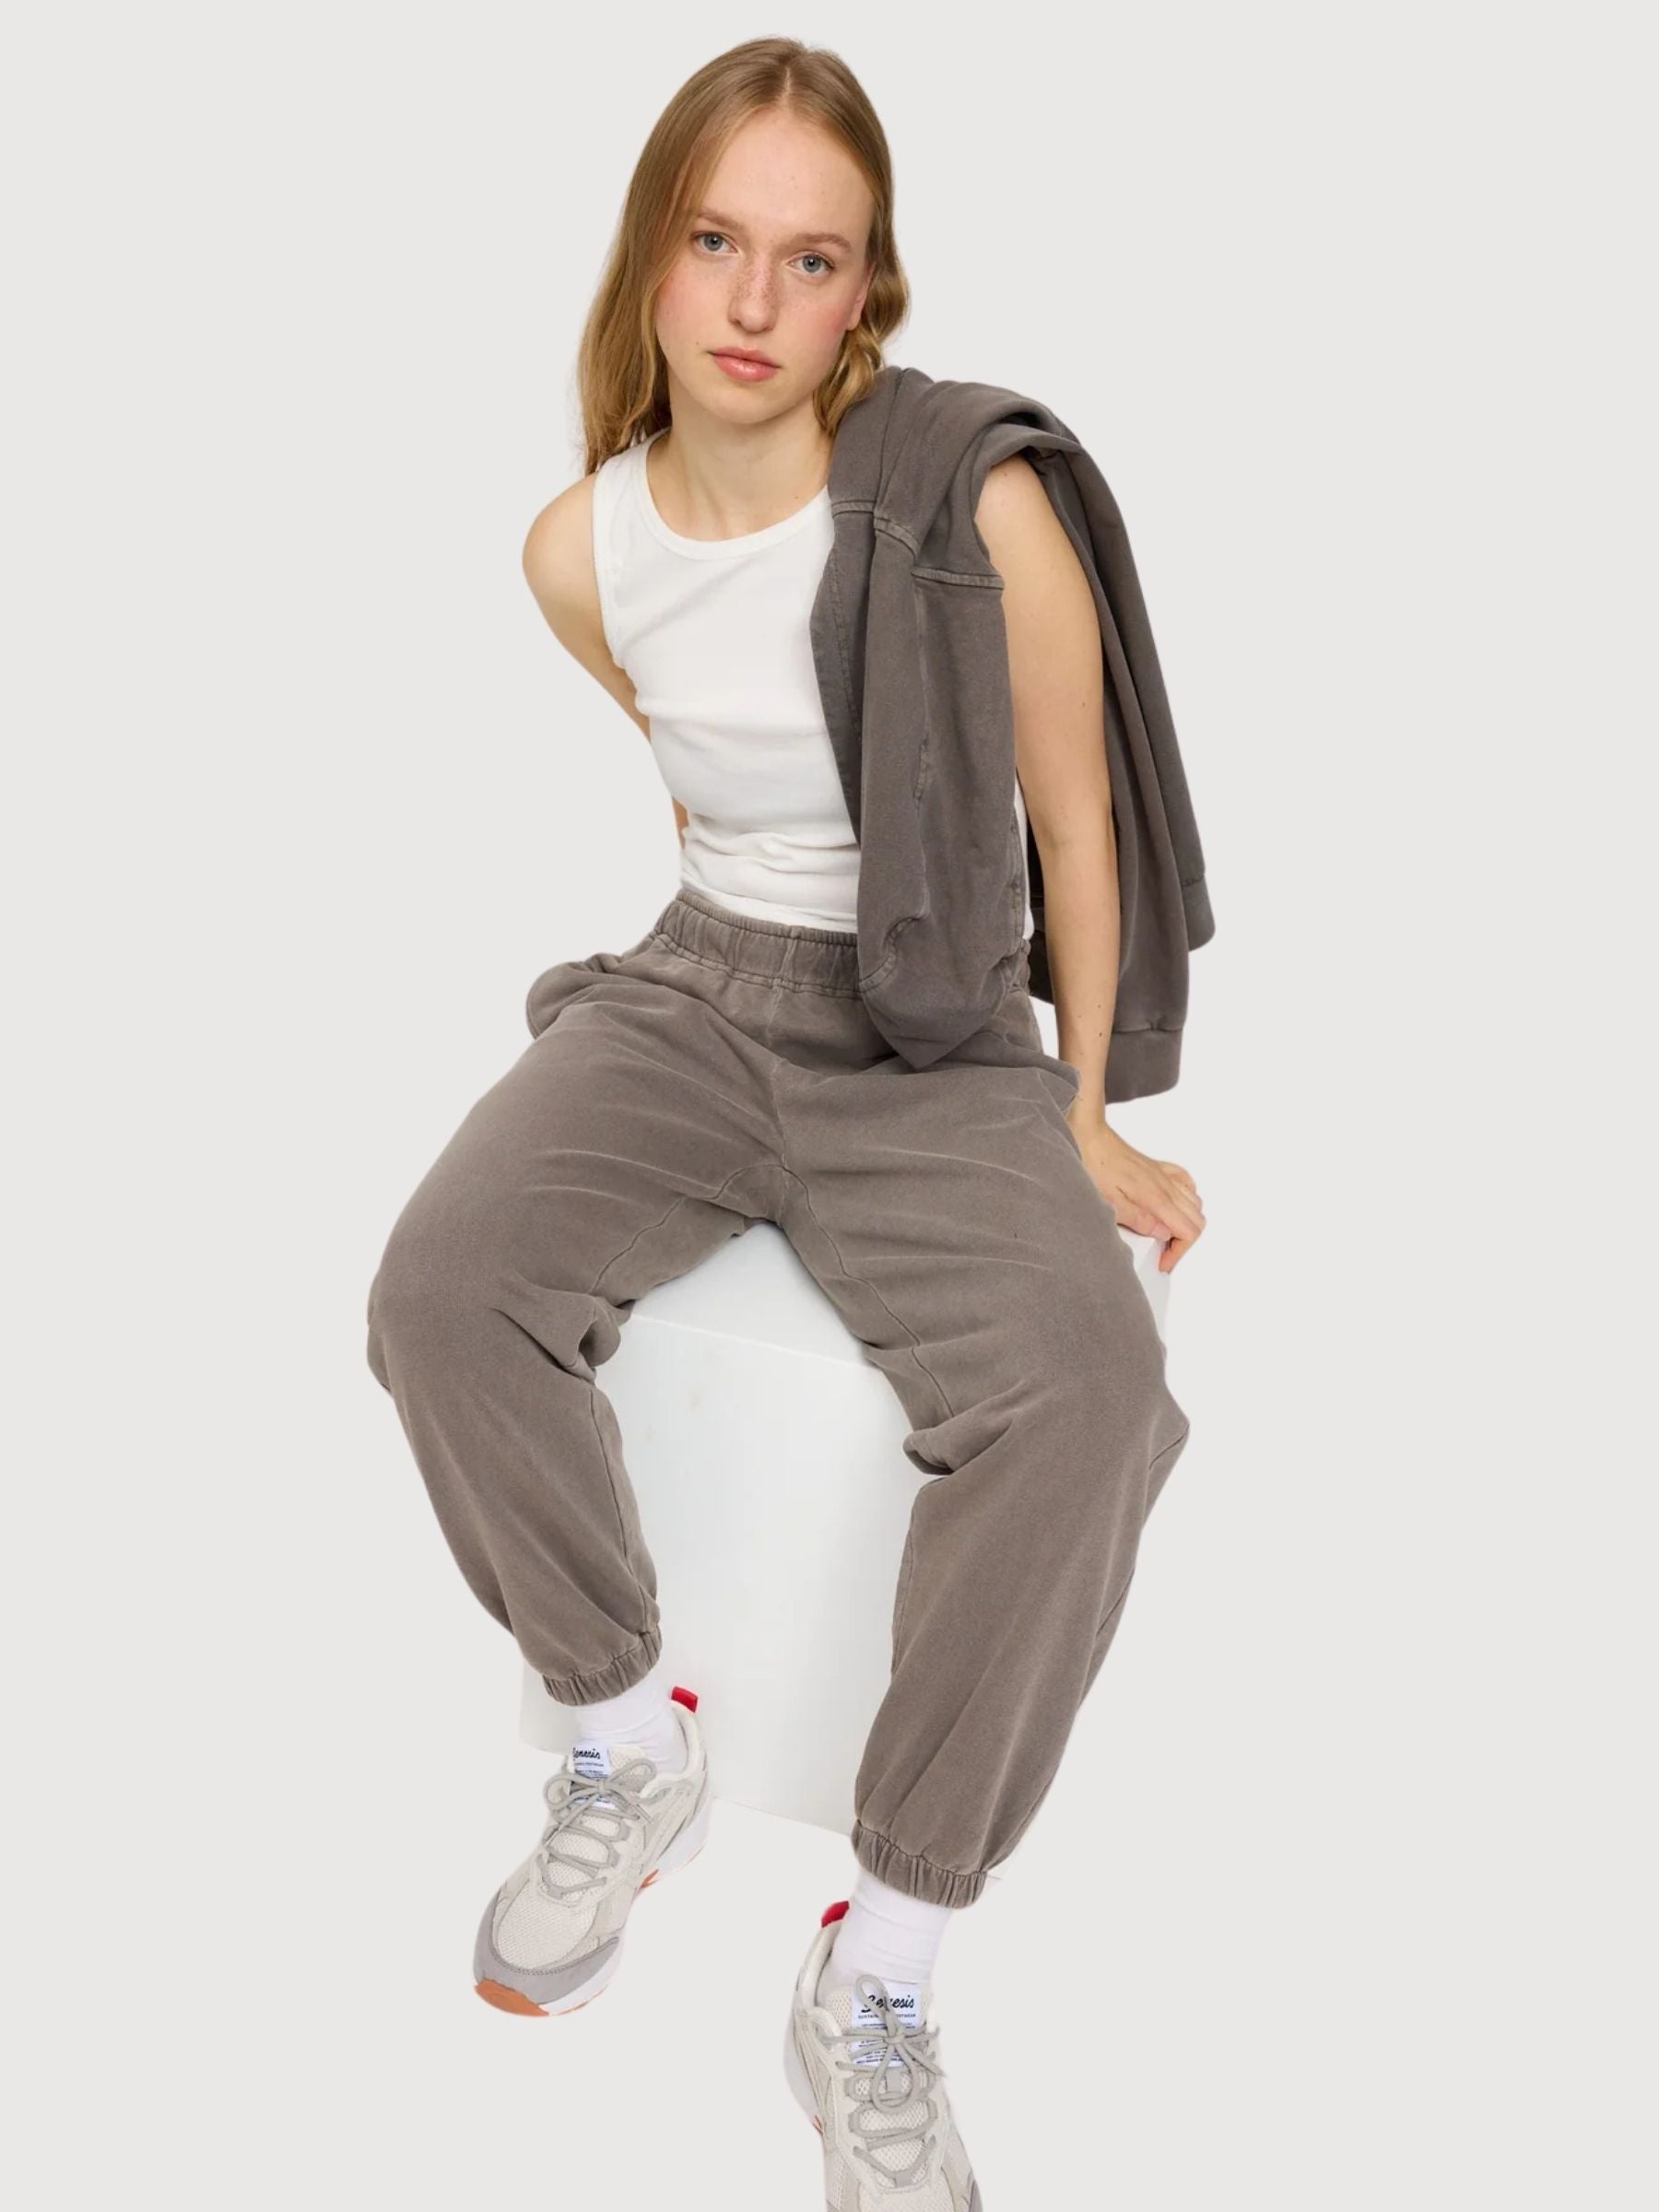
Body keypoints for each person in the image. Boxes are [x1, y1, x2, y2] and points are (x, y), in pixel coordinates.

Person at [365, 35, 1206, 2207]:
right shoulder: (577, 552)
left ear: (867, 292)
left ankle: (883, 1965)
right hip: (698, 994)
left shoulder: (970, 501)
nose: (753, 301)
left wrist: (1083, 1110)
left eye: (810, 259)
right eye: (715, 241)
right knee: (441, 1291)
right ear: (651, 255)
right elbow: (707, 794)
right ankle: (619, 1734)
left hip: (936, 1036)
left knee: (1091, 1398)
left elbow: (1072, 822)